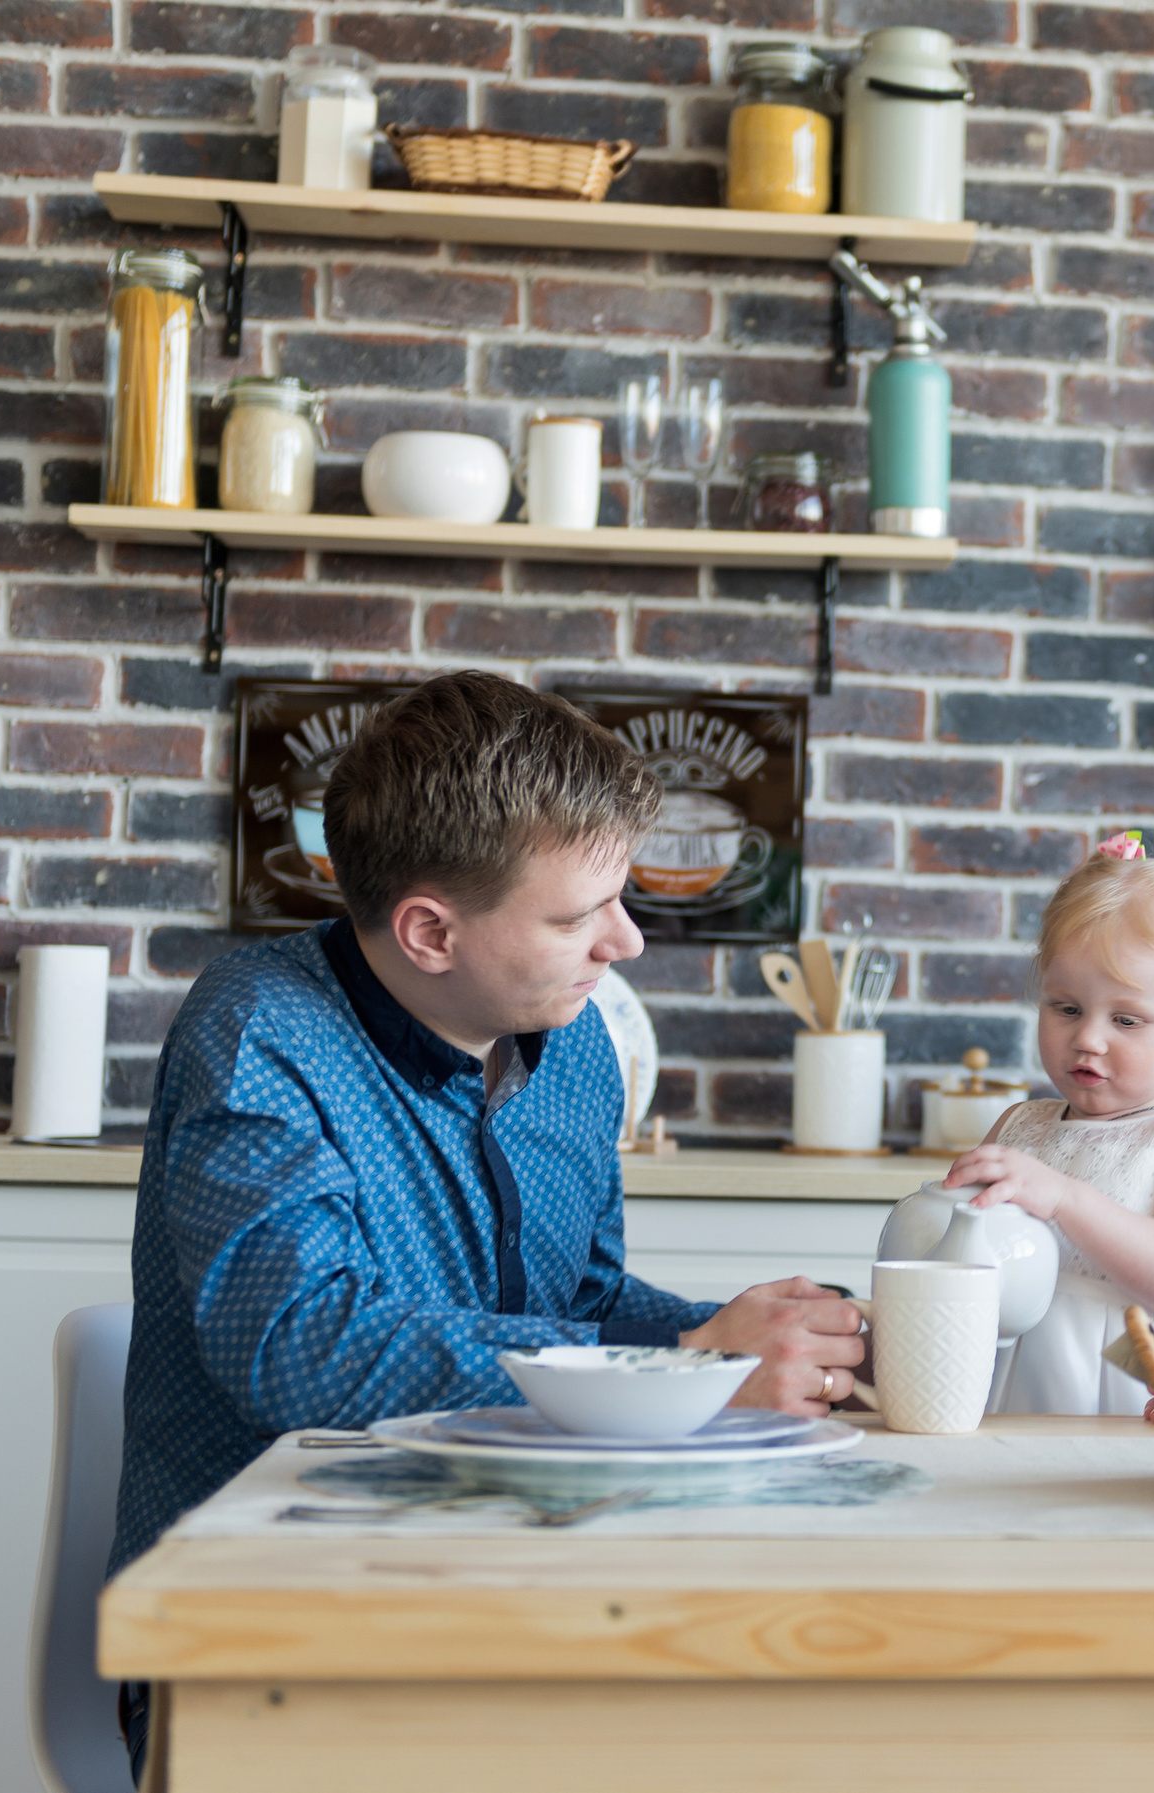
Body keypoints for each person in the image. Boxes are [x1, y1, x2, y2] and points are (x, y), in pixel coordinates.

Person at [109, 673, 864, 1777]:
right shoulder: (258, 1031)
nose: (628, 943)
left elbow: (585, 1307)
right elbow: (295, 1345)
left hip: (524, 1580)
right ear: (429, 930)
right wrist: (689, 1372)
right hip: (271, 1630)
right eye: (576, 914)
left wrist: (772, 1336)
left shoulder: (577, 1046)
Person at [942, 831, 1154, 1413]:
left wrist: (1064, 1199)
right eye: (1066, 1008)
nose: (1088, 1038)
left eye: (1126, 1020)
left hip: (1119, 1399)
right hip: (1000, 1395)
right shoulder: (1019, 1125)